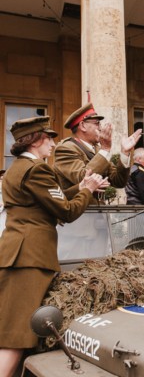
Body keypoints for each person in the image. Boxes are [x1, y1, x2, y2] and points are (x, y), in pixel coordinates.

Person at [0, 116, 106, 376]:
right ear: (35, 141)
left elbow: (45, 201)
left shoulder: (19, 168)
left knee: (12, 328)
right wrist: (88, 190)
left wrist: (79, 187)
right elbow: (67, 212)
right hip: (29, 257)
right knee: (16, 335)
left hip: (19, 253)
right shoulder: (37, 169)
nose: (52, 143)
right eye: (48, 138)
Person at [54, 102, 142, 204]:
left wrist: (124, 153)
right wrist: (104, 149)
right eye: (97, 123)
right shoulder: (66, 148)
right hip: (78, 215)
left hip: (97, 214)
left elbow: (119, 181)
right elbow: (83, 178)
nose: (100, 128)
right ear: (82, 126)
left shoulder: (97, 150)